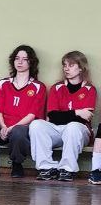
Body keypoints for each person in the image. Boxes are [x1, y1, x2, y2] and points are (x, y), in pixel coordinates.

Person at [0, 45, 46, 178]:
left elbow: (32, 115)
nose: (20, 62)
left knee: (19, 131)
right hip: (2, 130)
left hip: (21, 131)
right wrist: (3, 127)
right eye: (17, 58)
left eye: (24, 59)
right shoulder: (3, 83)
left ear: (31, 62)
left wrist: (12, 128)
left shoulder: (38, 87)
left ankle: (17, 164)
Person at [30, 52, 96, 181]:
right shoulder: (57, 88)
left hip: (79, 131)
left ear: (81, 68)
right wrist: (77, 112)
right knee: (36, 124)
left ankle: (67, 169)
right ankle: (47, 168)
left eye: (71, 65)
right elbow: (53, 116)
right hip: (58, 129)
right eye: (64, 65)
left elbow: (84, 119)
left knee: (73, 126)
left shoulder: (89, 89)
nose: (66, 68)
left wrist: (70, 115)